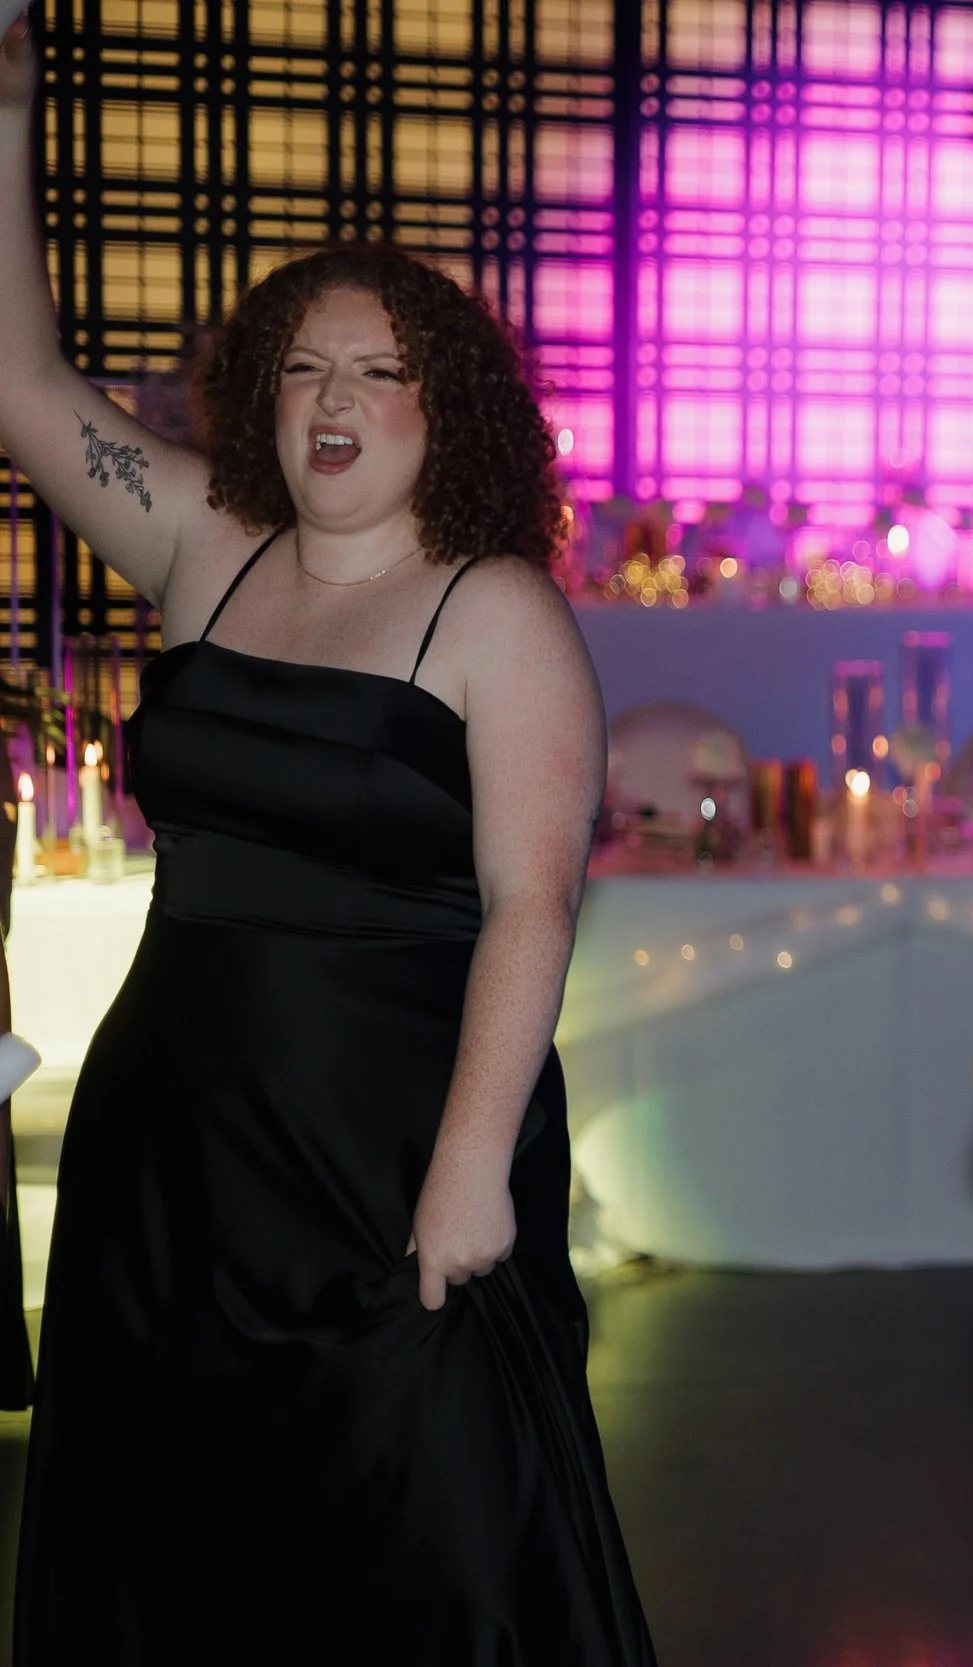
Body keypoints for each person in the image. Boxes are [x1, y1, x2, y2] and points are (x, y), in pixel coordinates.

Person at [0, 21, 651, 1663]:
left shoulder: (491, 608)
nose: (334, 396)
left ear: (449, 408)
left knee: (434, 1555)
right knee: (185, 1555)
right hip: (176, 1153)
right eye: (302, 365)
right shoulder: (206, 547)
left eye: (377, 368)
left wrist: (467, 1172)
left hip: (397, 1153)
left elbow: (531, 901)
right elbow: (20, 388)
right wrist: (5, 122)